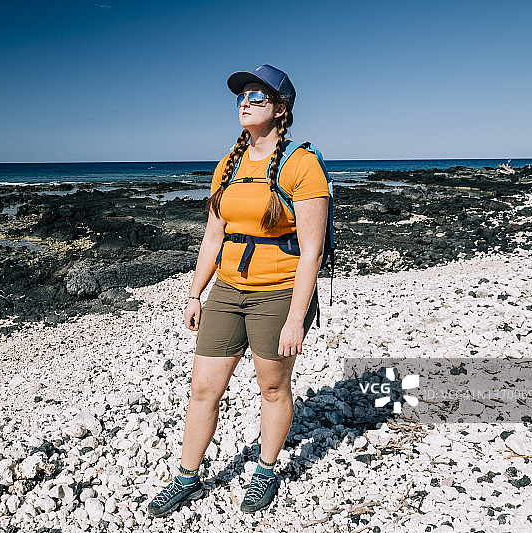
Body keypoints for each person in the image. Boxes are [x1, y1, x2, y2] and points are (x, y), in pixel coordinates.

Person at [147, 64, 330, 517]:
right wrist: (194, 293)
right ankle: (186, 476)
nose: (245, 103)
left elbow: (312, 252)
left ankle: (265, 471)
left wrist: (295, 319)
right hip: (227, 291)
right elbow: (213, 237)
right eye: (241, 96)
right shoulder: (227, 165)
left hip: (279, 294)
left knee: (272, 388)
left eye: (257, 97)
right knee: (203, 389)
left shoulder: (301, 164)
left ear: (280, 109)